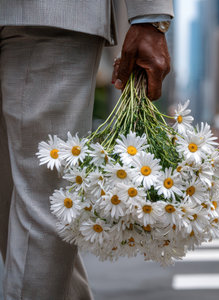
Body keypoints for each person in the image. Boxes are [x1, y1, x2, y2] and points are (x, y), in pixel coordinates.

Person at [0, 1, 173, 298]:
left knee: (45, 204)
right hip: (53, 17)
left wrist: (149, 15)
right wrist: (149, 18)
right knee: (22, 204)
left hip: (50, 17)